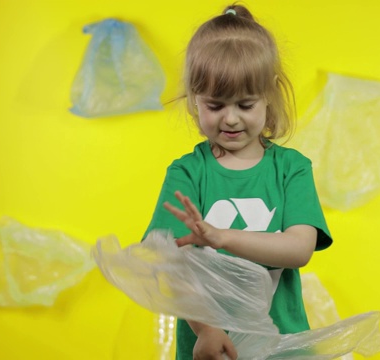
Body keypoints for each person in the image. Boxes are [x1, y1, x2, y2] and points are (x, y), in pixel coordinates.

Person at [142, 4, 333, 360]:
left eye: (245, 105)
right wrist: (208, 330)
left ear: (270, 96)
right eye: (215, 106)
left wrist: (221, 237)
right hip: (210, 347)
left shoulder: (291, 169)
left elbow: (299, 249)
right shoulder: (188, 173)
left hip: (281, 348)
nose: (230, 119)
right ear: (194, 101)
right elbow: (170, 263)